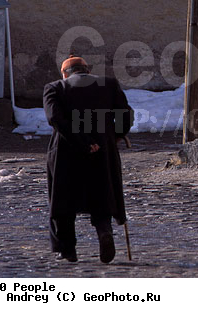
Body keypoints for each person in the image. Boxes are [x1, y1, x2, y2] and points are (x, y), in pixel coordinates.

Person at [43, 55, 134, 263]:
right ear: (87, 69)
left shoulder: (55, 88)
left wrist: (82, 142)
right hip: (103, 149)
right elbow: (125, 115)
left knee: (63, 199)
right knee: (102, 193)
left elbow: (55, 118)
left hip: (66, 151)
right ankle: (104, 231)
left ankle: (67, 250)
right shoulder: (109, 84)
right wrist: (115, 136)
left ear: (64, 73)